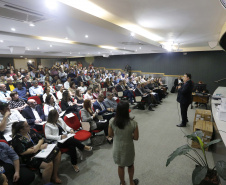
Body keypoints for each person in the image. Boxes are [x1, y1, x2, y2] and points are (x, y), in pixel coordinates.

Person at [108, 101, 139, 185]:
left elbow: (110, 135)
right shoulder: (133, 123)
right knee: (130, 165)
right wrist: (129, 135)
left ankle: (122, 183)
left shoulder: (112, 121)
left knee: (120, 166)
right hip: (128, 147)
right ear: (127, 110)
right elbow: (136, 138)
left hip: (117, 147)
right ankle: (131, 183)